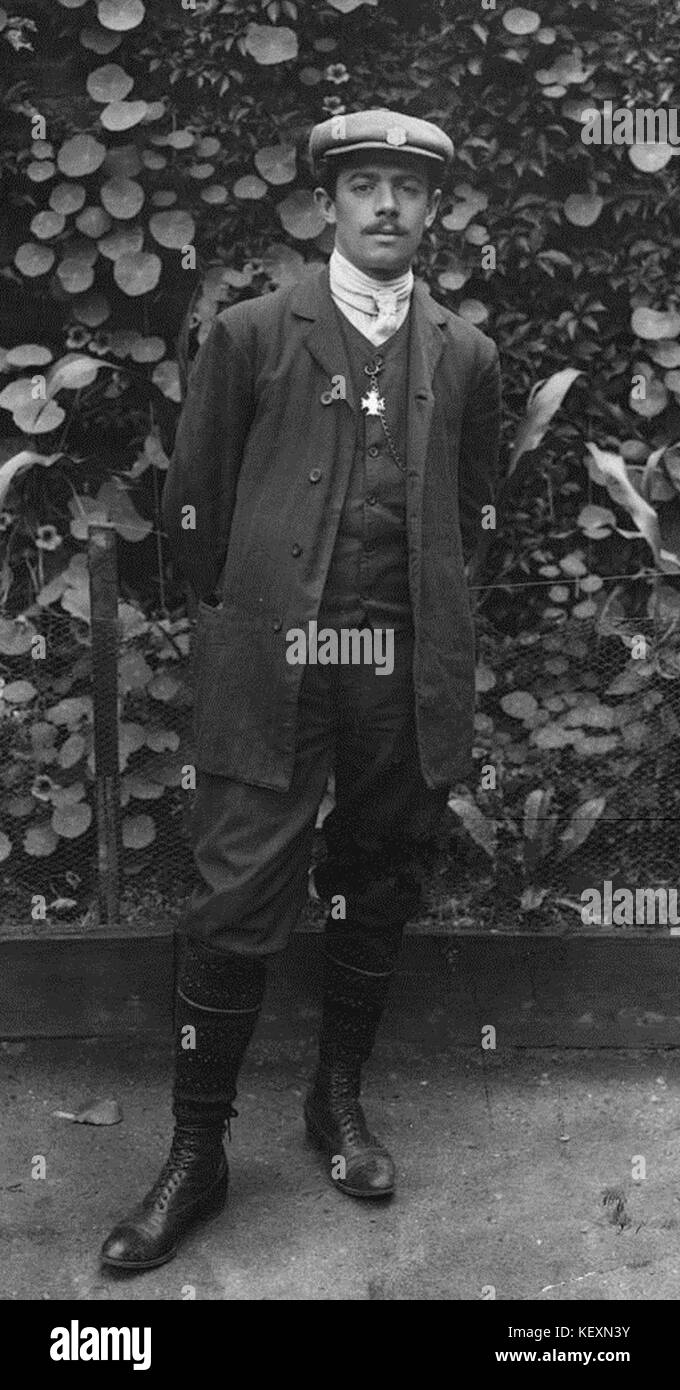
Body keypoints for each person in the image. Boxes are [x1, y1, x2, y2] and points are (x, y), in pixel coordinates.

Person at [100, 108, 502, 1271]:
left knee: (375, 877)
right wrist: (252, 619)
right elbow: (193, 510)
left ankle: (335, 1103)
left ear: (434, 212)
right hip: (275, 662)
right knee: (233, 893)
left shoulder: (465, 354)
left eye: (408, 190)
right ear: (324, 205)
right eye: (364, 185)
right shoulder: (250, 334)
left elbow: (476, 515)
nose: (386, 206)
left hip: (400, 666)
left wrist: (427, 611)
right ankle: (195, 1153)